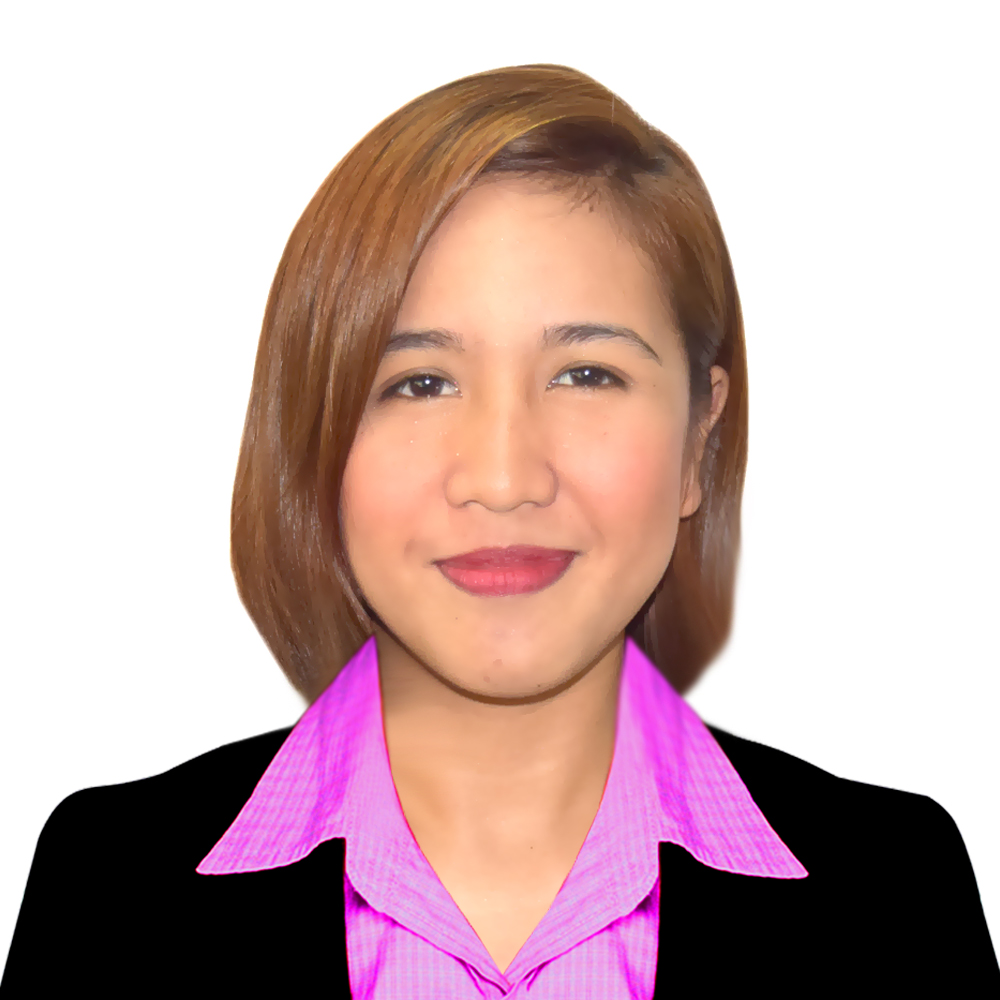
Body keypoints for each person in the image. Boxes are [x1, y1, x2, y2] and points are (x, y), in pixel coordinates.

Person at [2, 64, 996, 998]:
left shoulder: (898, 894)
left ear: (699, 437)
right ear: (317, 439)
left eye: (587, 374)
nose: (505, 479)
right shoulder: (106, 890)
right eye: (419, 382)